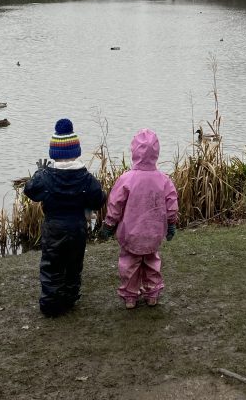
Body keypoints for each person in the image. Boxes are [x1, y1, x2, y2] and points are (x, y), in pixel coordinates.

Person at [23, 118, 106, 317]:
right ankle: (70, 298)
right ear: (76, 152)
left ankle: (51, 305)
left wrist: (39, 171)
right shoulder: (86, 177)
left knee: (52, 266)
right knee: (74, 264)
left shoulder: (46, 176)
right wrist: (87, 202)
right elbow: (99, 199)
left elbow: (30, 191)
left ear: (54, 154)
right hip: (77, 227)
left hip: (54, 228)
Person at [101, 128, 178, 309]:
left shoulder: (126, 179)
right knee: (152, 262)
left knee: (129, 264)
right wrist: (172, 223)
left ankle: (130, 296)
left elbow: (115, 205)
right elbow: (171, 203)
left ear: (134, 151)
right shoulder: (164, 180)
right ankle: (152, 294)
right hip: (154, 232)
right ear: (156, 153)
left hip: (131, 233)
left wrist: (109, 224)